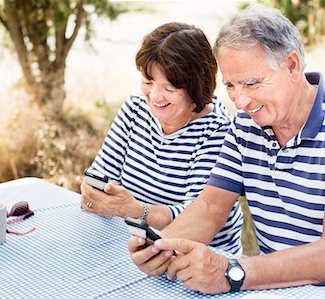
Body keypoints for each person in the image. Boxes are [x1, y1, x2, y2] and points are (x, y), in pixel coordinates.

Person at [128, 4, 325, 298]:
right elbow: (210, 207)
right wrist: (161, 245)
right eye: (230, 85)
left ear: (292, 66)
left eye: (251, 83)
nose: (240, 101)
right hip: (276, 291)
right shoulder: (246, 126)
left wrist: (232, 272)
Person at [81, 22, 243, 255]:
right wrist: (92, 194)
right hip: (132, 244)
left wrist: (135, 210)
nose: (155, 96)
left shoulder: (218, 130)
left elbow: (194, 217)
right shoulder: (135, 109)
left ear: (196, 86)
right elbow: (97, 178)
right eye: (148, 82)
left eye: (169, 87)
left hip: (199, 258)